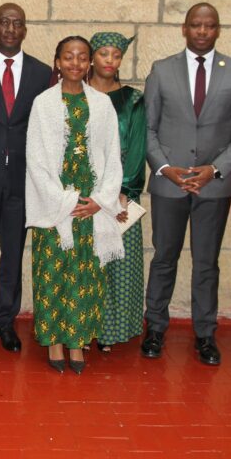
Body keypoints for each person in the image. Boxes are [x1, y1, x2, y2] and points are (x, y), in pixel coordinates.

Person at [143, 2, 231, 366]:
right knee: (164, 258)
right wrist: (164, 168)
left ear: (218, 30)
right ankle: (156, 328)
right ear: (185, 29)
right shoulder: (161, 71)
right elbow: (147, 129)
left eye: (210, 25)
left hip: (213, 186)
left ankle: (205, 334)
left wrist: (215, 169)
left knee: (207, 263)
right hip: (169, 184)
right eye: (196, 25)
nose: (203, 31)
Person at [25, 36, 124, 375]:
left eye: (82, 58)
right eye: (69, 57)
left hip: (90, 203)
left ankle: (77, 341)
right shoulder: (43, 103)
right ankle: (54, 340)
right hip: (55, 204)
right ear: (57, 61)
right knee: (53, 272)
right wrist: (62, 201)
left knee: (86, 275)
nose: (76, 63)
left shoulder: (102, 104)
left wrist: (99, 200)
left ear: (90, 63)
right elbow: (36, 159)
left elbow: (113, 157)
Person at [0, 3, 52, 353]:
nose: (11, 29)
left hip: (22, 180)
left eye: (18, 23)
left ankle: (7, 321)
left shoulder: (42, 73)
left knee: (13, 254)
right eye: (4, 22)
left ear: (25, 30)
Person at [86, 31, 146, 352]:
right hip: (82, 194)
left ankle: (110, 332)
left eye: (116, 55)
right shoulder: (75, 93)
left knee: (117, 267)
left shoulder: (133, 99)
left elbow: (136, 147)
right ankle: (82, 327)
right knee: (84, 265)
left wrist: (126, 191)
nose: (110, 61)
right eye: (104, 54)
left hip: (120, 195)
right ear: (92, 56)